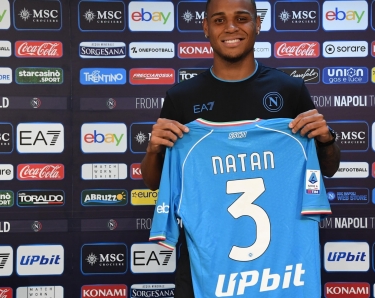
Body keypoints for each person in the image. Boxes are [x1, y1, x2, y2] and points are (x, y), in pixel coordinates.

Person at [141, 0, 340, 296]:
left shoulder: (290, 91)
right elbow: (158, 182)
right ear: (206, 28)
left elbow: (327, 169)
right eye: (219, 20)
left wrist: (326, 139)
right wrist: (155, 150)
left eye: (242, 18)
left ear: (257, 24)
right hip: (206, 269)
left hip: (280, 270)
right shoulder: (181, 98)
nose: (231, 28)